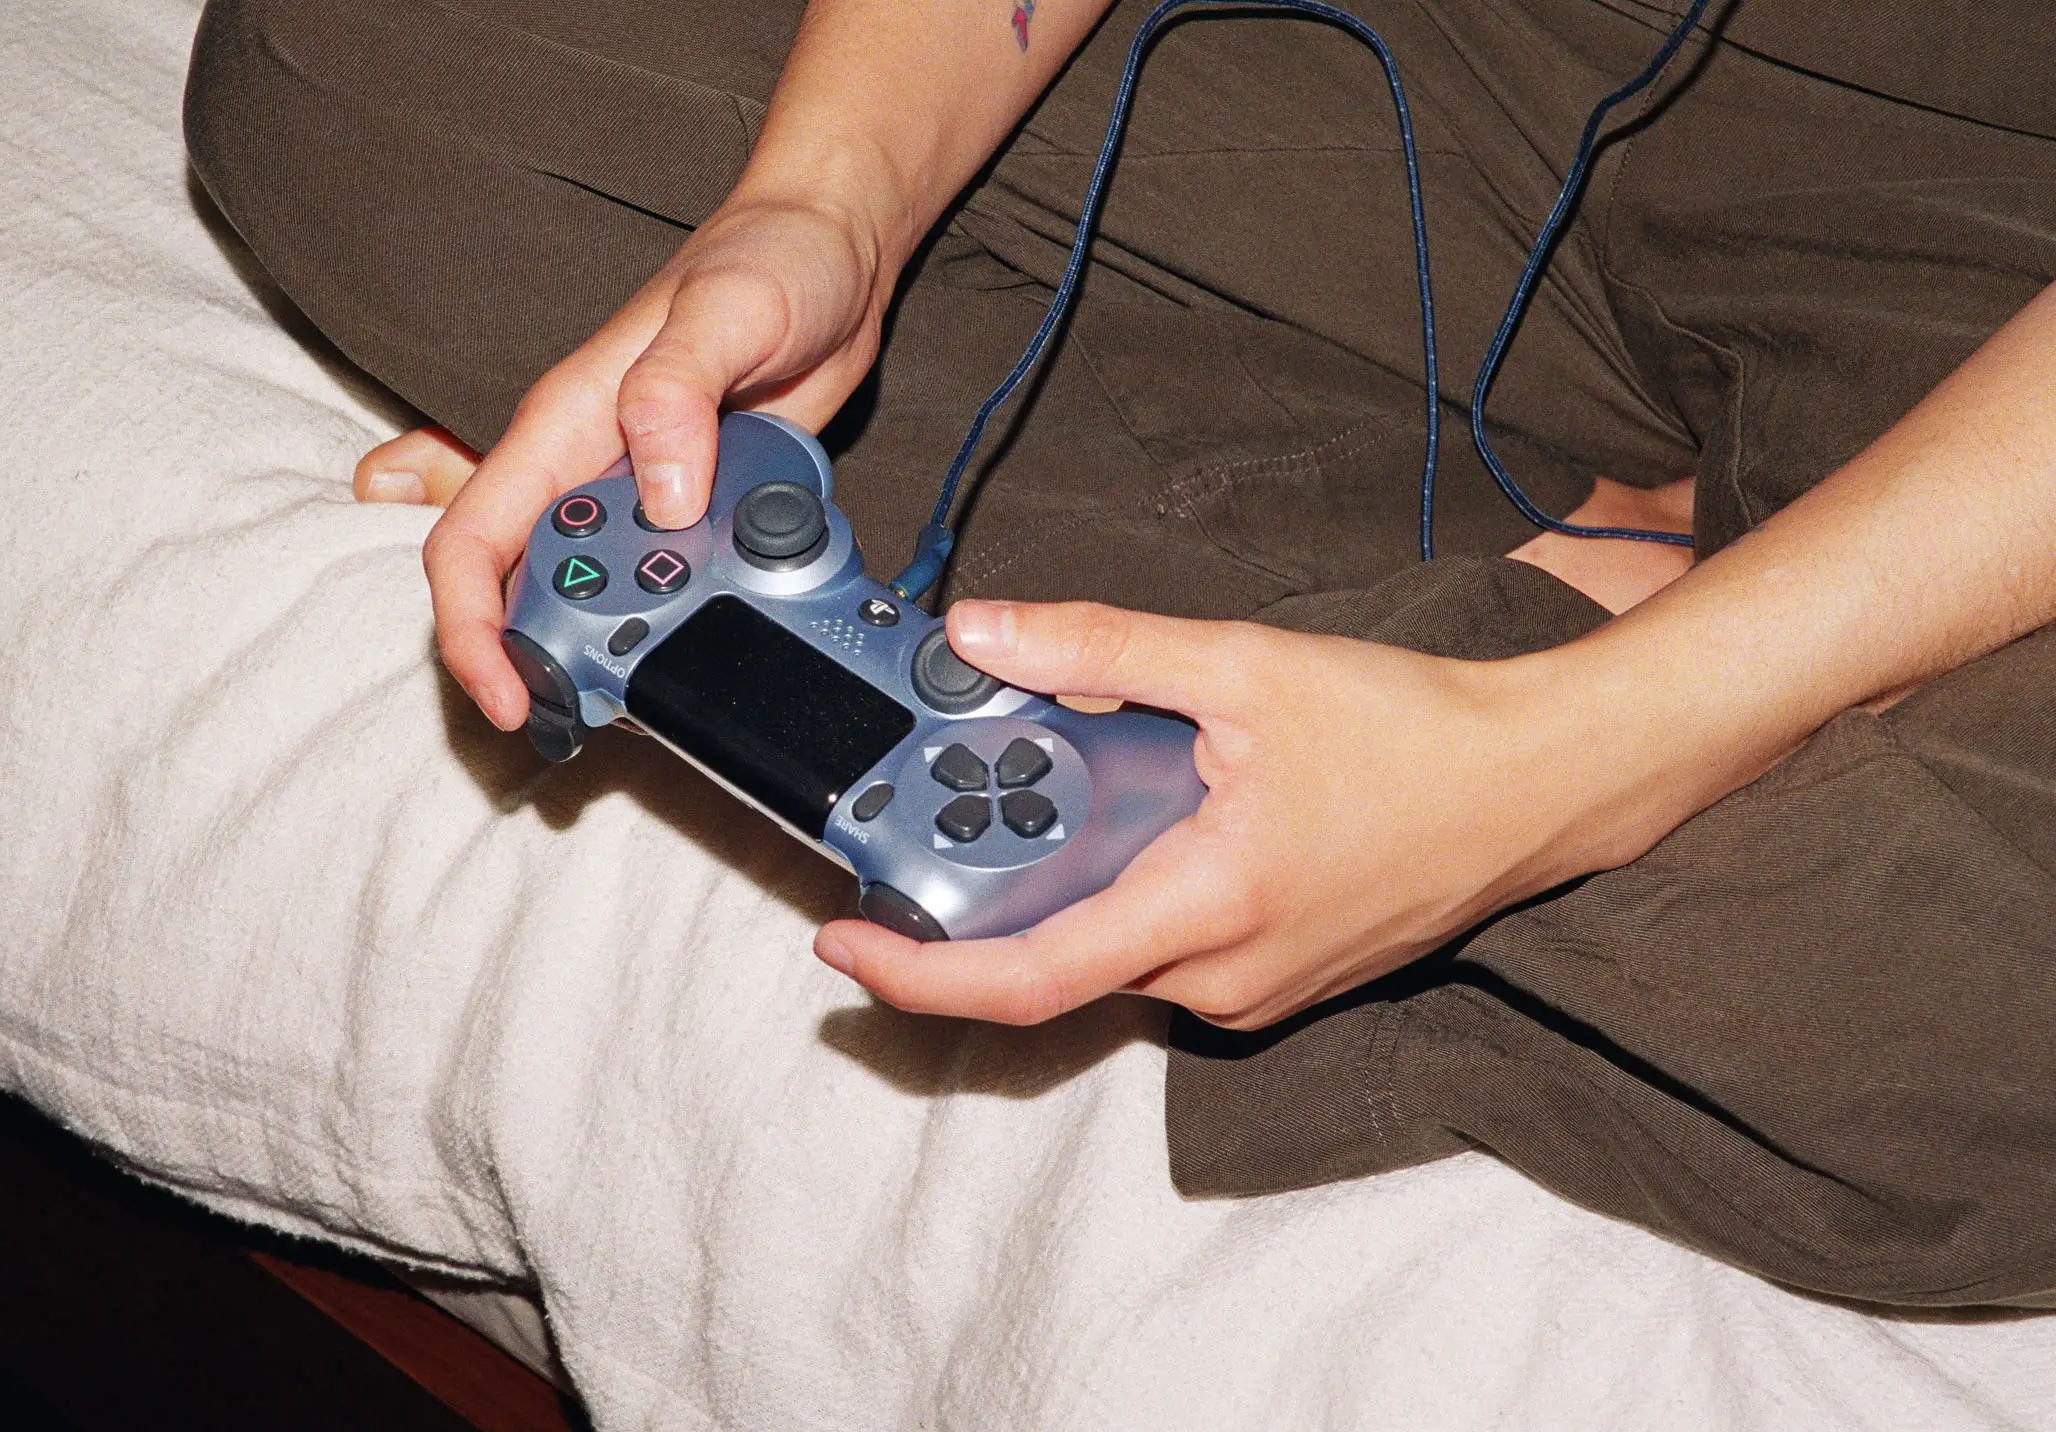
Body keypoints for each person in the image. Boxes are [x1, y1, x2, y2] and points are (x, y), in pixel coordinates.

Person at [184, 0, 2056, 1306]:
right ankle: (1571, 570)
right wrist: (830, 203)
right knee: (354, 49)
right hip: (1480, 51)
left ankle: (1604, 663)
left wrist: (1598, 745)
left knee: (1991, 1013)